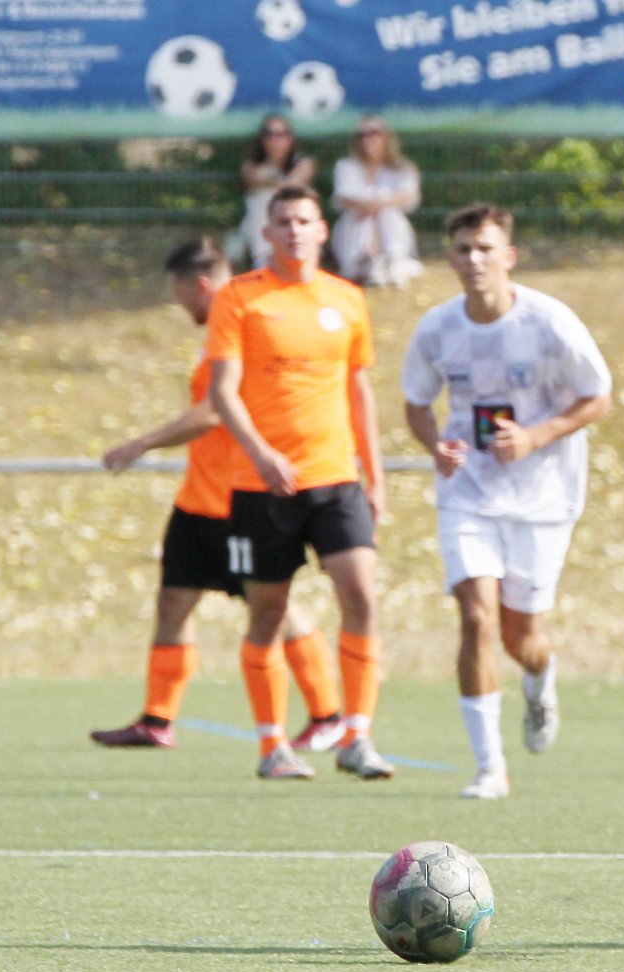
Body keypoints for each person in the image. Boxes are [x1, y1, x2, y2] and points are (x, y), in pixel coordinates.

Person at [90, 237, 342, 751]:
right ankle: (157, 720)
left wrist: (144, 442)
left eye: (180, 292)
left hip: (237, 497)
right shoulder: (228, 324)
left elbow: (212, 410)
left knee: (272, 606)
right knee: (173, 603)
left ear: (199, 285)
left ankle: (327, 713)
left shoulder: (247, 321)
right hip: (198, 499)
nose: (179, 303)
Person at [403, 204, 613, 800]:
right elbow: (416, 403)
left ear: (508, 256)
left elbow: (597, 397)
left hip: (544, 497)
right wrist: (433, 445)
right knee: (475, 618)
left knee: (520, 639)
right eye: (463, 249)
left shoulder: (549, 323)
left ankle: (541, 676)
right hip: (468, 494)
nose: (474, 260)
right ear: (450, 258)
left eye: (485, 249)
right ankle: (490, 767)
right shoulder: (438, 328)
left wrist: (534, 437)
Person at [206, 184, 392, 781]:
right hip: (262, 486)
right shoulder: (241, 298)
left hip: (335, 478)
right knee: (268, 613)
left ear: (321, 229)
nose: (293, 230)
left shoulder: (347, 298)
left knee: (361, 595)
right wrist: (260, 454)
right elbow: (221, 391)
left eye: (304, 220)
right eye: (282, 221)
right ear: (267, 233)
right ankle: (271, 746)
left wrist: (375, 474)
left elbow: (359, 391)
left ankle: (356, 738)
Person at [332, 116, 423, 286]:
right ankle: (362, 261)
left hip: (390, 226)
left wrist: (376, 204)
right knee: (366, 213)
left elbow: (408, 196)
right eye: (361, 135)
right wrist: (373, 205)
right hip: (355, 224)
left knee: (387, 212)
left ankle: (391, 259)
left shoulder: (403, 167)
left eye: (373, 133)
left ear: (386, 137)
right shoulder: (346, 166)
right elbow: (343, 197)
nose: (367, 139)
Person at [234, 115, 315, 269]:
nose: (274, 139)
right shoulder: (251, 165)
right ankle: (264, 259)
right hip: (258, 223)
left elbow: (293, 185)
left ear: (290, 138)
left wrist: (269, 181)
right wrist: (273, 180)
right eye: (269, 134)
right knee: (263, 199)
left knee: (272, 197)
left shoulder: (304, 163)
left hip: (291, 220)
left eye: (281, 134)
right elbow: (252, 178)